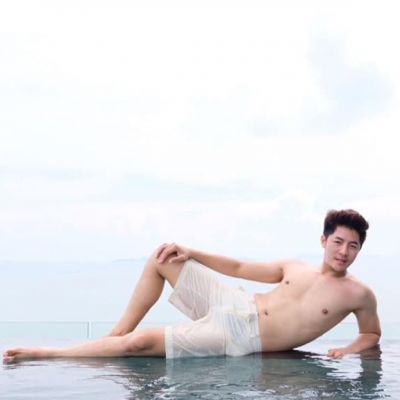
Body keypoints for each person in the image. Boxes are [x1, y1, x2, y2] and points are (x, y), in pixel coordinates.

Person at [3, 209, 381, 361]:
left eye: (352, 246)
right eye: (338, 242)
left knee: (138, 344)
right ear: (323, 240)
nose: (343, 252)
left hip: (240, 336)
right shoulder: (293, 266)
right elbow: (238, 267)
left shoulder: (359, 294)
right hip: (233, 302)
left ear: (359, 250)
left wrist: (347, 350)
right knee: (163, 256)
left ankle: (46, 353)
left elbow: (372, 333)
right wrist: (191, 252)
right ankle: (116, 332)